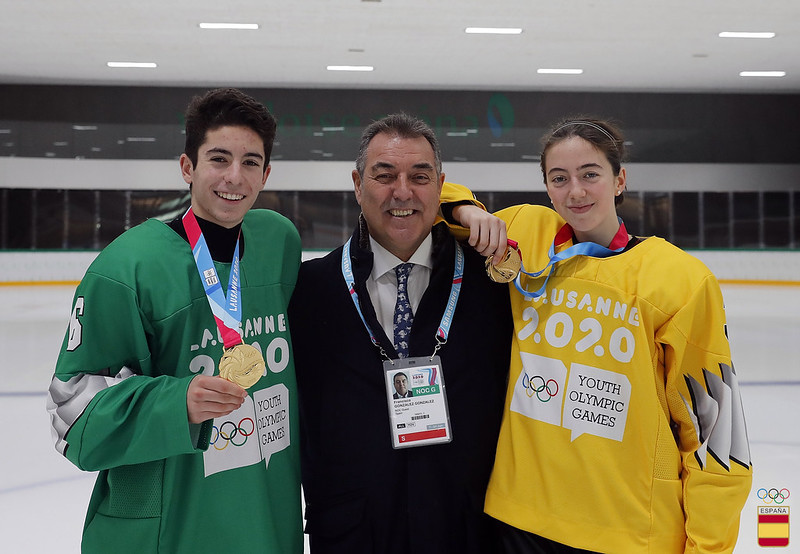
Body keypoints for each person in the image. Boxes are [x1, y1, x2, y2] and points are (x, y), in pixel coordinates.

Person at [443, 117, 753, 553]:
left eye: (590, 174)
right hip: (520, 518)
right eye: (559, 178)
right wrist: (468, 209)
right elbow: (424, 192)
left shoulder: (679, 279)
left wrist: (708, 545)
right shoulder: (527, 235)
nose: (576, 191)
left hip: (628, 531)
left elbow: (713, 429)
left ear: (619, 179)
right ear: (546, 188)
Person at [46, 88, 303, 553]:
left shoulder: (278, 241)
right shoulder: (128, 266)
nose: (234, 177)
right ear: (188, 167)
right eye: (219, 159)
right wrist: (176, 402)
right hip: (172, 526)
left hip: (266, 514)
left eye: (250, 163)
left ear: (266, 175)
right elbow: (71, 418)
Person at [288, 113, 512, 554]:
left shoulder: (494, 286)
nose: (402, 192)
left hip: (466, 528)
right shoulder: (310, 289)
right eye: (384, 175)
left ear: (441, 184)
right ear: (357, 183)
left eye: (420, 176)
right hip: (353, 530)